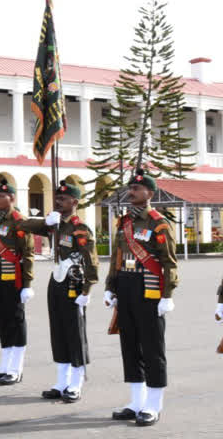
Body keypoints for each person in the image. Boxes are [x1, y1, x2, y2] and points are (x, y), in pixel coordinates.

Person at [105, 169, 178, 427]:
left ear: (150, 193)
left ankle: (154, 405)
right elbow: (116, 258)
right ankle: (136, 402)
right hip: (125, 287)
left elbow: (169, 263)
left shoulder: (159, 223)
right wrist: (110, 286)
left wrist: (167, 295)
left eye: (136, 189)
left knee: (152, 348)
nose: (131, 192)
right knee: (130, 346)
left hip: (149, 291)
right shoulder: (124, 223)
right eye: (130, 188)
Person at [18, 181, 99, 403]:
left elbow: (91, 262)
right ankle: (61, 380)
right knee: (58, 331)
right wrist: (45, 221)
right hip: (56, 281)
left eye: (63, 199)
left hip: (73, 283)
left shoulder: (80, 229)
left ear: (74, 201)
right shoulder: (54, 225)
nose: (58, 201)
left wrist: (87, 290)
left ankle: (76, 382)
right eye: (57, 198)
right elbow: (24, 226)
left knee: (75, 333)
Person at [0, 179, 35, 385]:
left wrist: (27, 285)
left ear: (12, 198)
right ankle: (4, 365)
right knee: (1, 321)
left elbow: (28, 254)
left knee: (16, 323)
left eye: (1, 196)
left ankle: (16, 368)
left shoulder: (19, 220)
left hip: (13, 279)